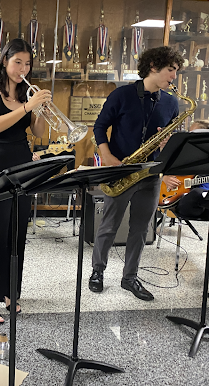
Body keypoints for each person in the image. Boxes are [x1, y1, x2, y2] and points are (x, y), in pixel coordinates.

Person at [89, 46, 183, 301]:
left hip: (151, 174)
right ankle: (98, 271)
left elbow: (170, 139)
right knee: (108, 226)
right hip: (121, 169)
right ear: (153, 66)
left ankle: (129, 277)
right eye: (170, 70)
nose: (174, 76)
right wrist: (107, 156)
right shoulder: (122, 95)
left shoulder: (172, 103)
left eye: (176, 71)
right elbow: (100, 126)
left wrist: (167, 144)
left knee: (140, 230)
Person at [0, 38, 51, 324]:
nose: (23, 68)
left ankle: (10, 290)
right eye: (17, 61)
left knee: (17, 231)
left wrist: (40, 110)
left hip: (21, 160)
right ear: (5, 62)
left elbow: (39, 132)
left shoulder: (25, 96)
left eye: (27, 63)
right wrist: (27, 105)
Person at [164, 120, 209, 218]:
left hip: (204, 199)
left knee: (198, 194)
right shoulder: (183, 154)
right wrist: (165, 178)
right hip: (185, 199)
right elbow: (162, 169)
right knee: (195, 195)